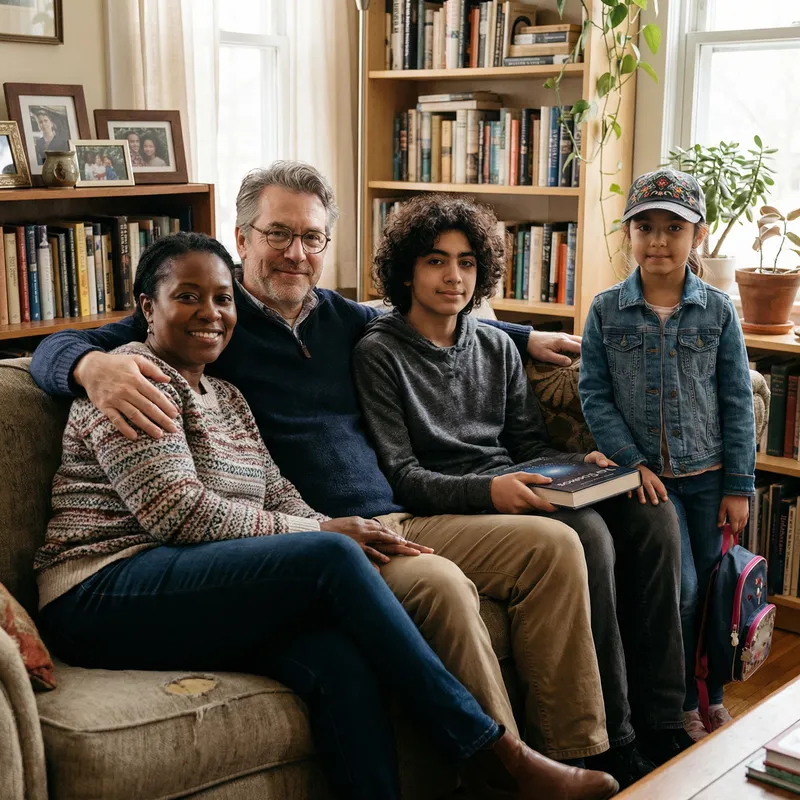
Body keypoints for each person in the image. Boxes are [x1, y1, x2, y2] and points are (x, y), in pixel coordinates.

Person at [29, 162, 604, 765]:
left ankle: (584, 752)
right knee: (442, 586)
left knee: (555, 545)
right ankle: (499, 767)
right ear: (243, 238)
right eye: (278, 234)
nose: (294, 253)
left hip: (391, 513)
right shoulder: (205, 322)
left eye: (311, 238)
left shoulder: (341, 318)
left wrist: (519, 336)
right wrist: (89, 368)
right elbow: (67, 347)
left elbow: (424, 312)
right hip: (309, 542)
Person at [351, 193, 689, 785]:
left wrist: (579, 462)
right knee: (585, 534)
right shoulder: (379, 354)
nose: (452, 276)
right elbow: (401, 475)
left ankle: (663, 717)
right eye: (435, 261)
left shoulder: (497, 345)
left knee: (650, 508)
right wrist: (490, 491)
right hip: (458, 503)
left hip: (520, 484)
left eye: (465, 262)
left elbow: (527, 444)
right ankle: (615, 738)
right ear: (407, 269)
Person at [578, 169, 756, 743]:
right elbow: (595, 396)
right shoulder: (606, 311)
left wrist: (739, 485)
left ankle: (712, 696)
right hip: (648, 484)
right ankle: (675, 702)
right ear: (628, 234)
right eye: (645, 227)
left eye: (672, 229)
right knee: (678, 589)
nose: (658, 241)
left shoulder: (720, 312)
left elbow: (735, 399)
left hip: (708, 478)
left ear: (697, 236)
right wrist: (633, 462)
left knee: (711, 590)